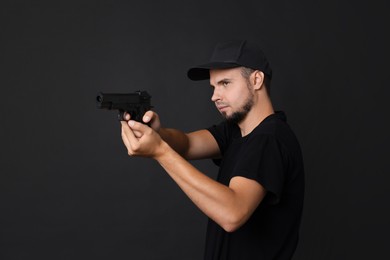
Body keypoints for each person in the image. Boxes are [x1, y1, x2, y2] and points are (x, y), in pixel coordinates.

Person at [120, 40, 305, 260]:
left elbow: (232, 213)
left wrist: (160, 151)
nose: (214, 96)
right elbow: (187, 144)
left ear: (256, 80)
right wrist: (159, 133)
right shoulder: (236, 131)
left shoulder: (269, 139)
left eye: (225, 83)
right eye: (213, 86)